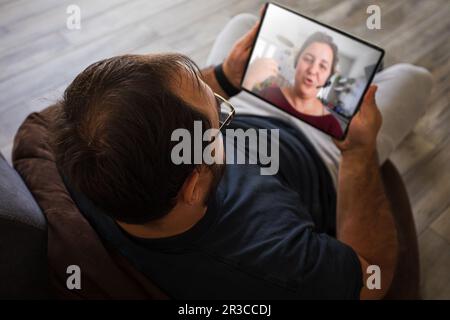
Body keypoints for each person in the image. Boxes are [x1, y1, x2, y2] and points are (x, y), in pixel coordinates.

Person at [50, 12, 433, 299]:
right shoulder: (275, 258)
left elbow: (150, 116)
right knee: (415, 78)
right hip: (326, 154)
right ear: (195, 183)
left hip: (249, 118)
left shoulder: (81, 152)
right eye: (218, 111)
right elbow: (373, 276)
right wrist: (360, 152)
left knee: (244, 22)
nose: (220, 104)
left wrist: (226, 78)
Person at [243, 32, 343, 137]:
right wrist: (248, 80)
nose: (312, 70)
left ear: (328, 78)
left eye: (322, 66)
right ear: (297, 61)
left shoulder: (332, 127)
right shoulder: (268, 95)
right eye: (308, 59)